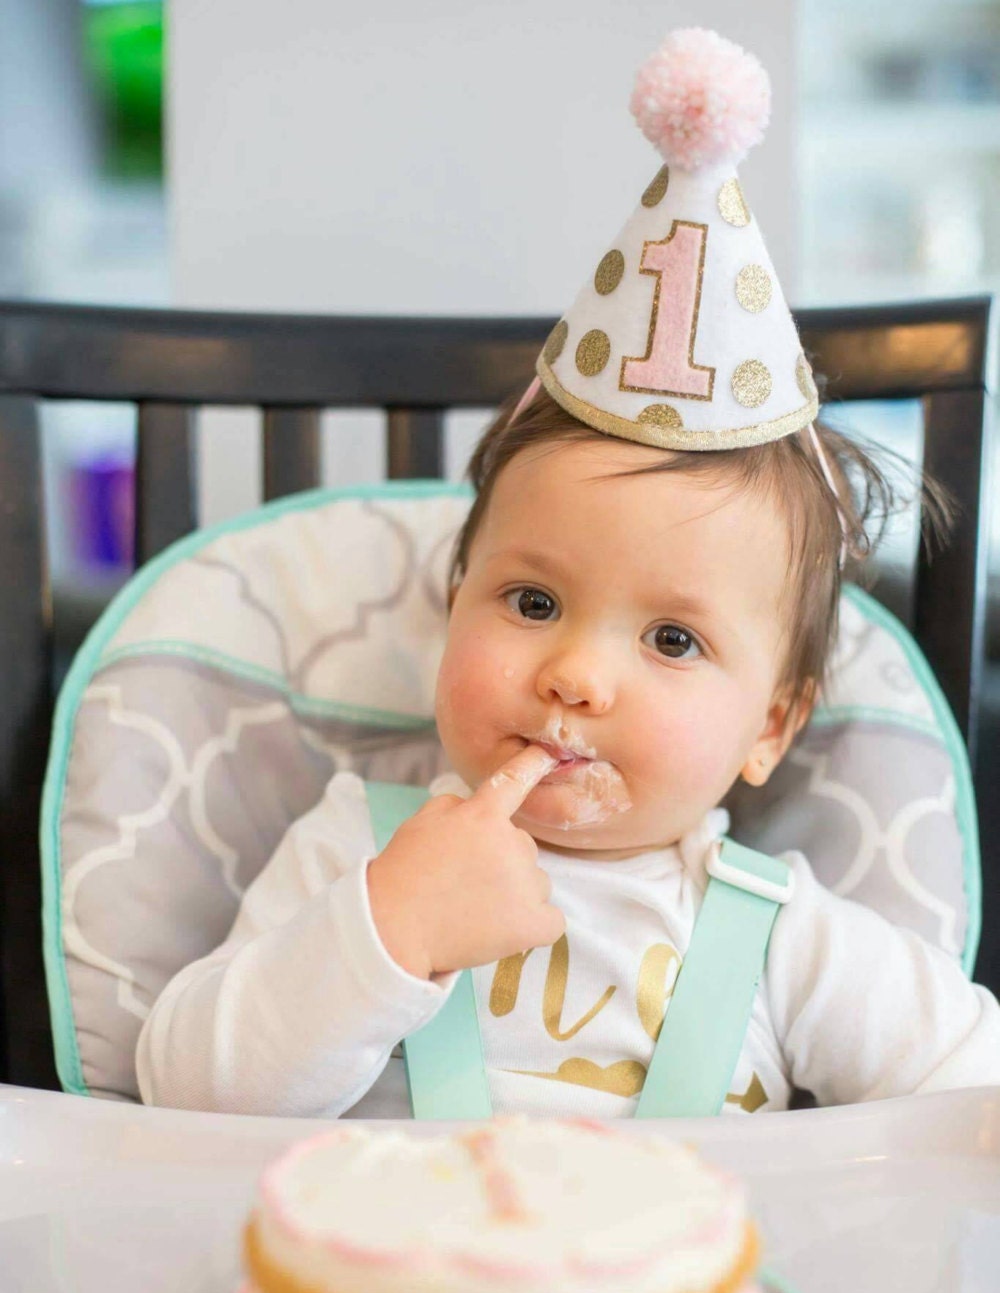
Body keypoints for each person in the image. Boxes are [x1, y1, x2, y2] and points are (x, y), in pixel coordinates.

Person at [135, 28, 1000, 1117]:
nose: (574, 675)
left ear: (770, 725)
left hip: (690, 1287)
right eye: (532, 602)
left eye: (673, 640)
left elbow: (973, 1102)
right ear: (455, 611)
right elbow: (179, 1093)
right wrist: (385, 929)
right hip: (387, 1279)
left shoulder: (784, 934)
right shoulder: (360, 847)